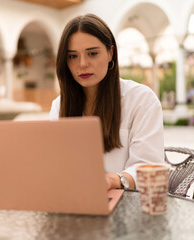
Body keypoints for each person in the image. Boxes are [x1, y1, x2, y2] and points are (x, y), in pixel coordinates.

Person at [49, 14, 164, 190]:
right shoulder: (59, 106)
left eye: (93, 53)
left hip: (128, 205)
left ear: (110, 53)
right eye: (72, 56)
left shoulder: (141, 100)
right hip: (76, 202)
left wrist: (114, 180)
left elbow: (149, 167)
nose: (82, 64)